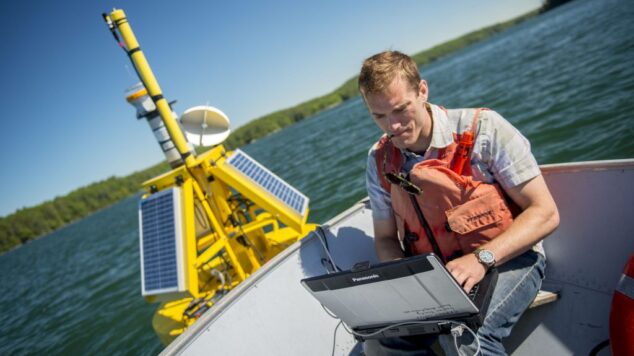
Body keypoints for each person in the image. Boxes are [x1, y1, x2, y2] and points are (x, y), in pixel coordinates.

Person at [360, 50, 560, 355]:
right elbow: (387, 239)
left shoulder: (484, 129)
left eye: (401, 109)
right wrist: (410, 284)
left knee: (466, 338)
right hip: (438, 279)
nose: (393, 126)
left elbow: (545, 213)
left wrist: (481, 259)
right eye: (379, 116)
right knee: (380, 343)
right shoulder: (379, 159)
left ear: (423, 90)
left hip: (510, 259)